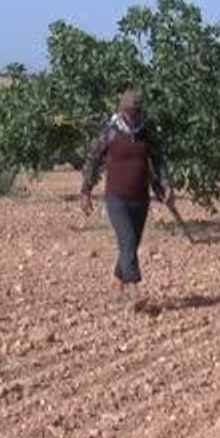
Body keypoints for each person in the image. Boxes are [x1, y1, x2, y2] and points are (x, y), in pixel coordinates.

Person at [79, 88, 173, 308]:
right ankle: (133, 289)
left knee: (130, 245)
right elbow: (93, 160)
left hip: (141, 198)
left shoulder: (146, 133)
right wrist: (86, 191)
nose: (134, 115)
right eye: (130, 111)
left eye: (137, 111)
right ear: (122, 110)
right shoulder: (110, 132)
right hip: (116, 198)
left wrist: (166, 185)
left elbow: (159, 161)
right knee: (128, 241)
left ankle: (119, 287)